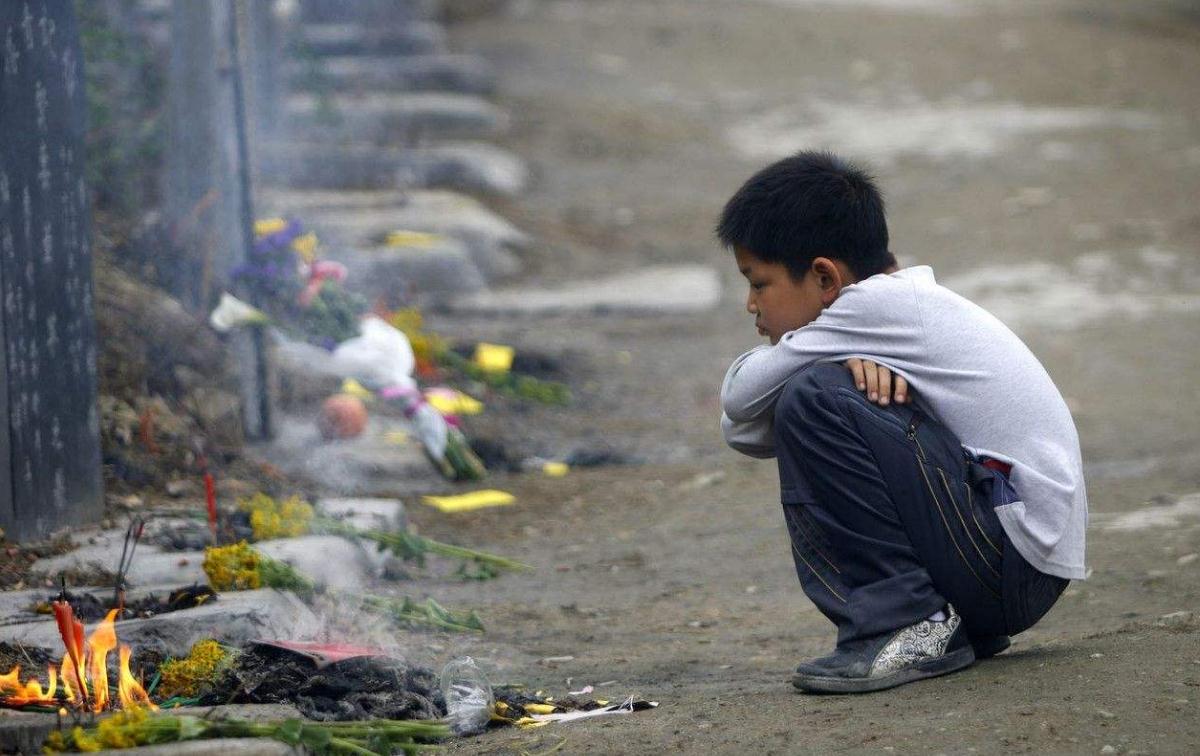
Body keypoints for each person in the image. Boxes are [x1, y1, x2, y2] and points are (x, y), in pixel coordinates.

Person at [717, 151, 1085, 694]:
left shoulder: (875, 307)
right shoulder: (885, 310)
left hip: (1012, 564)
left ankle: (910, 624)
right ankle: (937, 622)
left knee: (816, 396)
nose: (751, 305)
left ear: (824, 277)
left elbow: (743, 399)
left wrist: (827, 366)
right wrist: (839, 360)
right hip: (1014, 567)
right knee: (814, 393)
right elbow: (743, 430)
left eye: (759, 283)